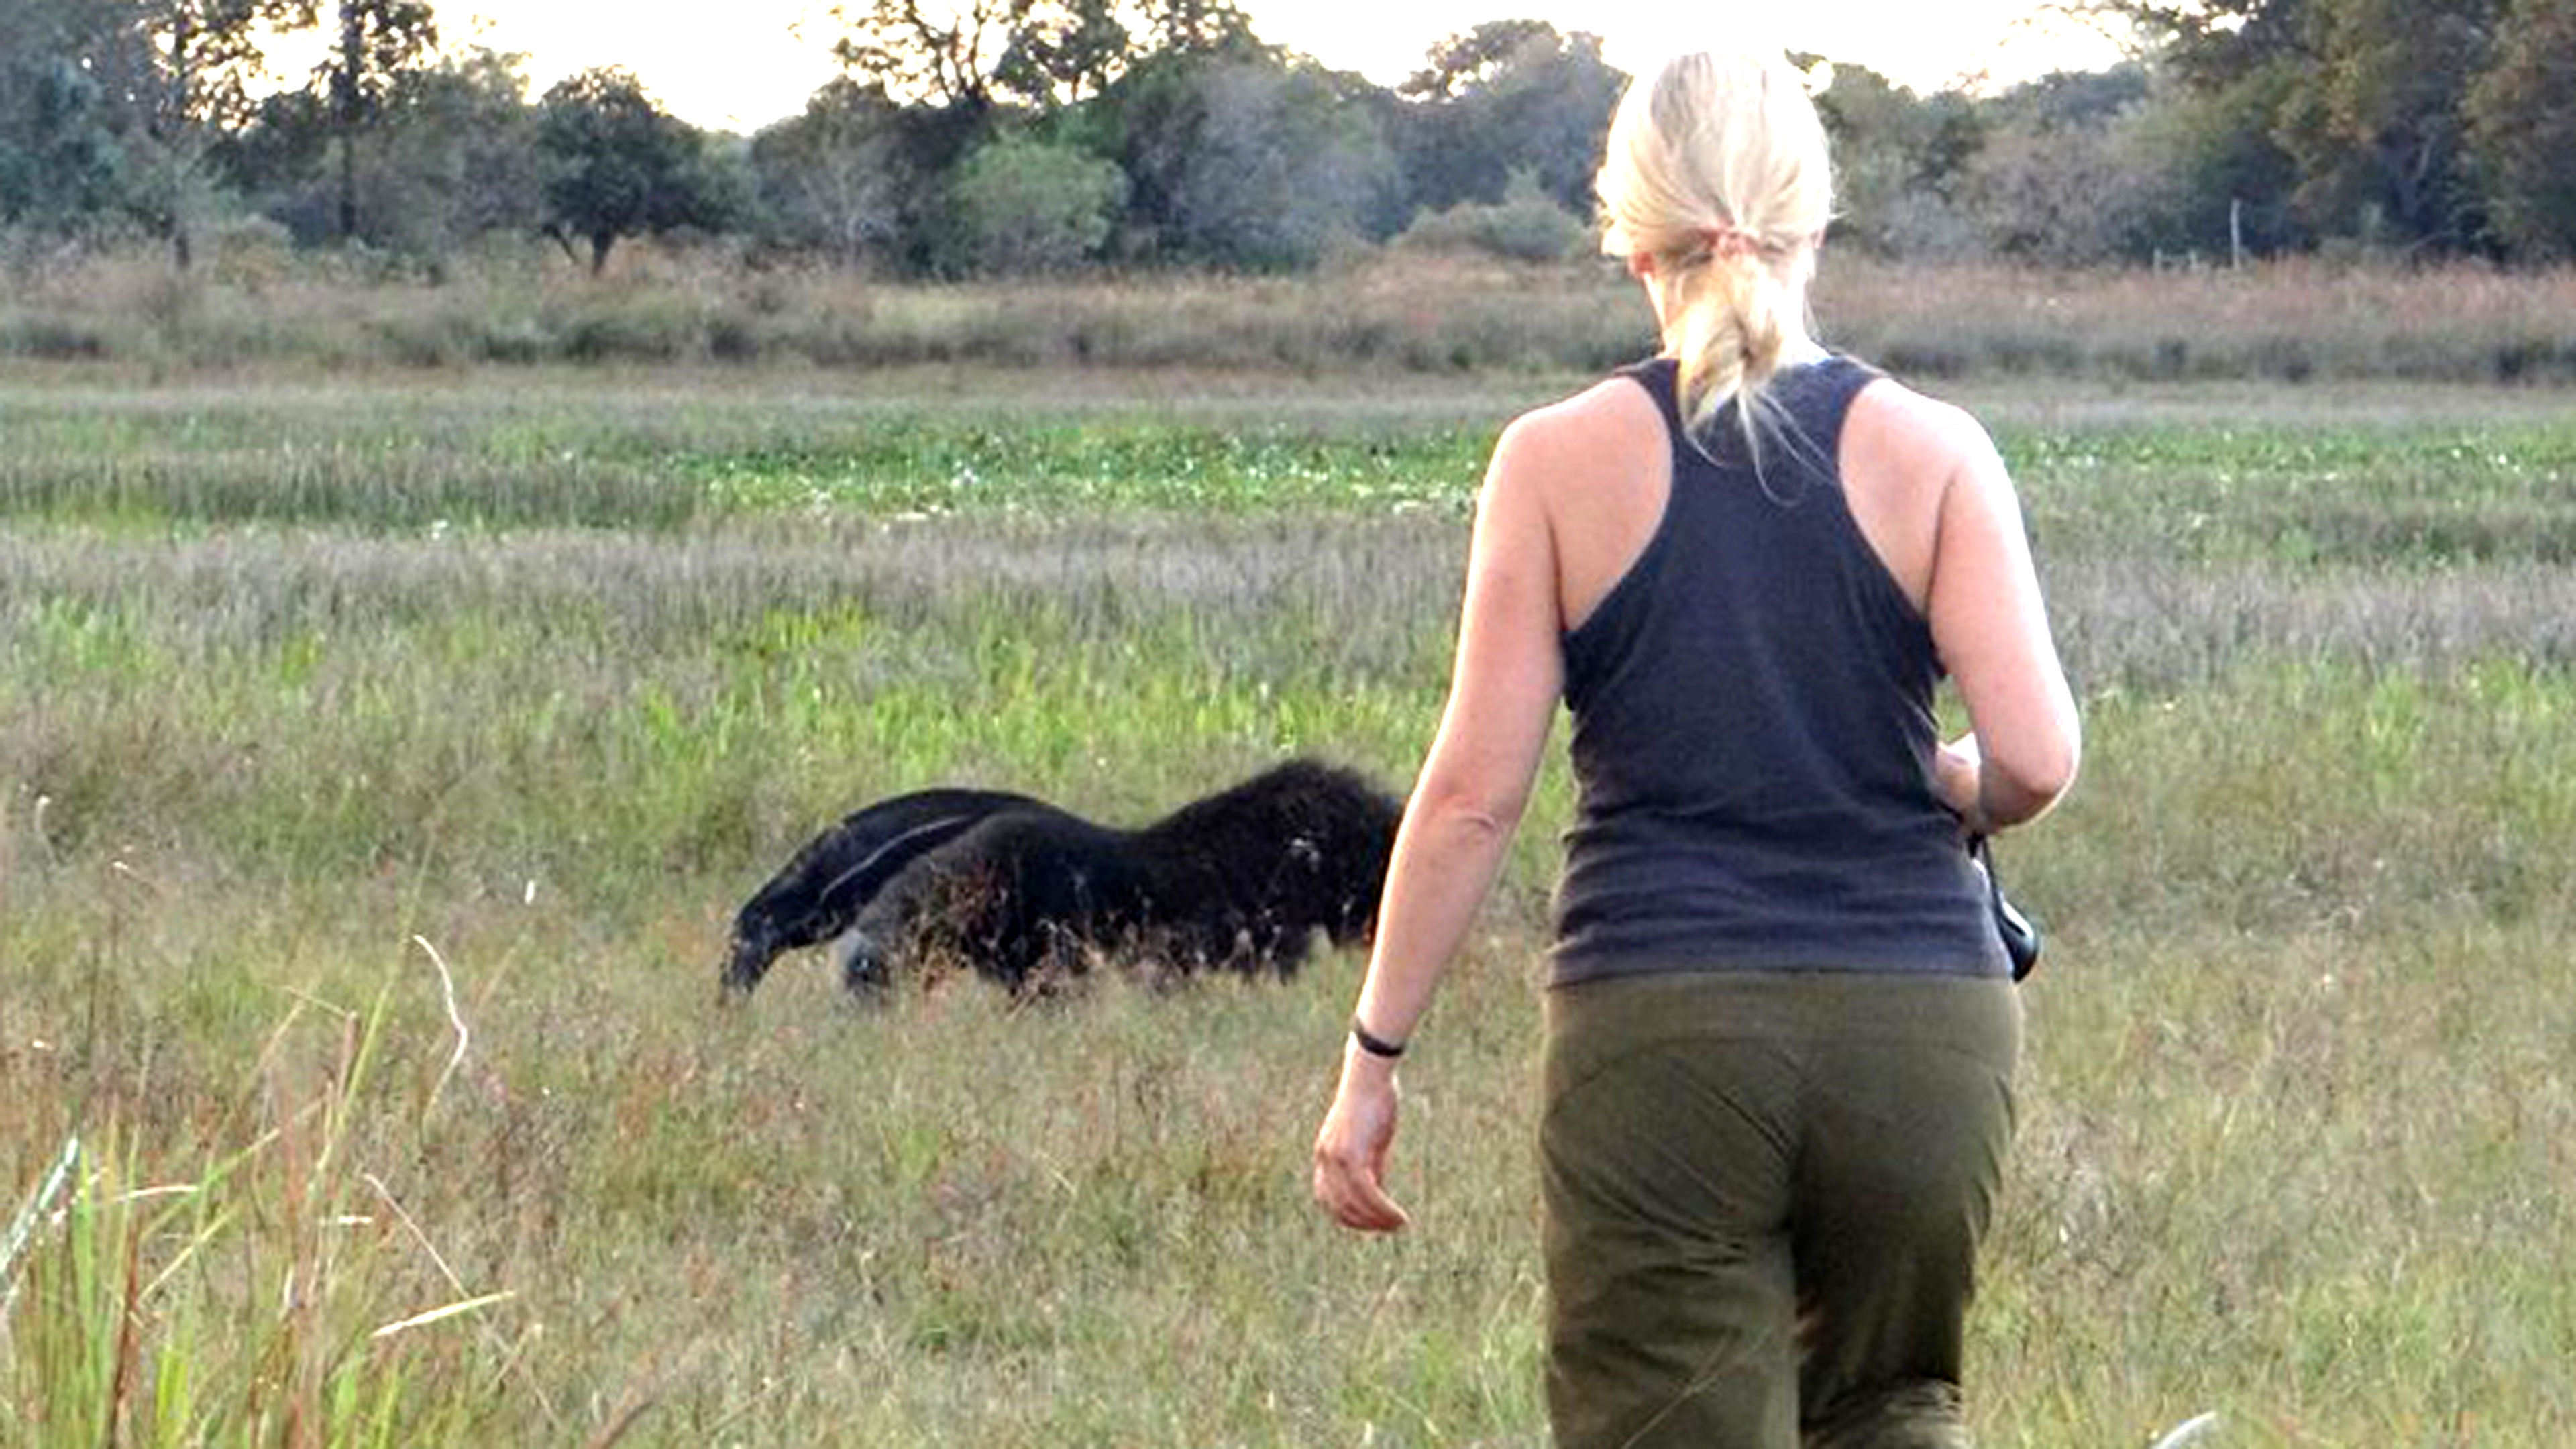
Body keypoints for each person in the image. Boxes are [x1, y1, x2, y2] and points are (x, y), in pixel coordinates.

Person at [1309, 46, 2081, 1449]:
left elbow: (1478, 797)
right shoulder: (1938, 449)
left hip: (1656, 1029)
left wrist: (1375, 1058)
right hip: (1924, 1028)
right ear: (1814, 223)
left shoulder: (1549, 462)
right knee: (1898, 1408)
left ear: (1626, 237)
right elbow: (2034, 754)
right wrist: (1954, 783)